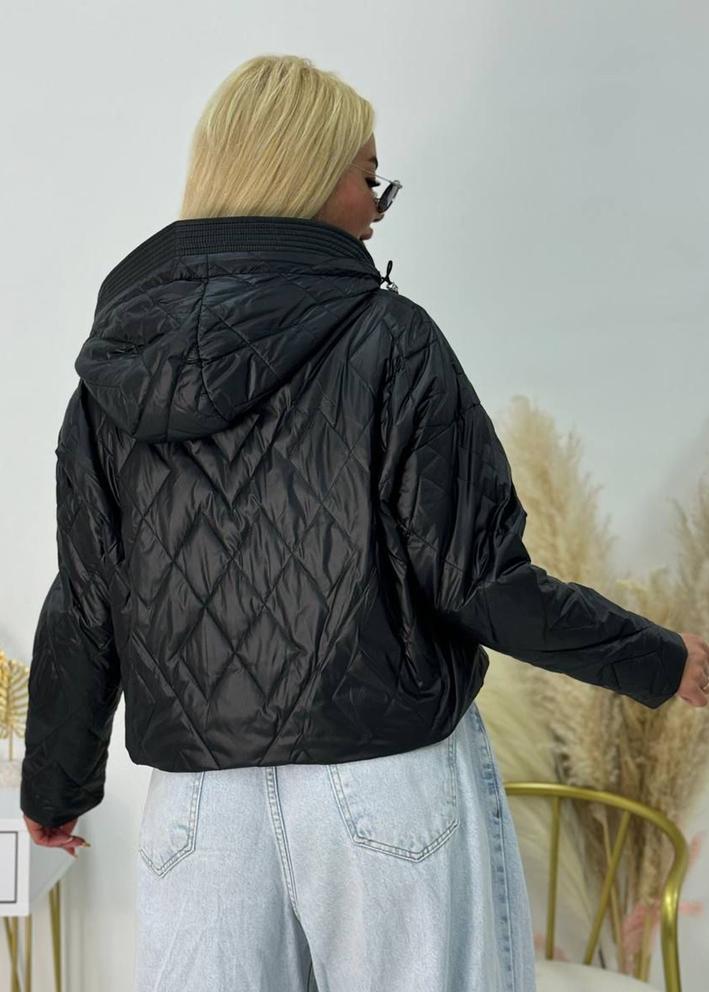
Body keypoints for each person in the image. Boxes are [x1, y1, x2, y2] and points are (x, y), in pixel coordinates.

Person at [20, 54, 709, 992]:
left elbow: (86, 603)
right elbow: (478, 581)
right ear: (303, 174)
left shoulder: (110, 379)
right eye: (367, 177)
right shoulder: (390, 339)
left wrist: (56, 786)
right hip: (383, 785)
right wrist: (660, 660)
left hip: (197, 809)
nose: (377, 208)